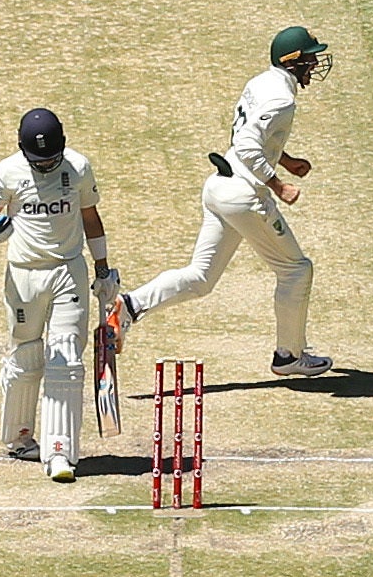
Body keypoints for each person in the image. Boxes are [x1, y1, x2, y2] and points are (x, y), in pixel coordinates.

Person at [114, 27, 336, 379]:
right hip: (245, 197)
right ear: (292, 62)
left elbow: (248, 137)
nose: (314, 64)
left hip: (220, 186)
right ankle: (289, 356)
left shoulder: (262, 82)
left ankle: (129, 306)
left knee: (201, 278)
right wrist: (278, 184)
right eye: (309, 58)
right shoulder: (283, 99)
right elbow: (248, 145)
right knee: (297, 270)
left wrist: (286, 158)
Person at [0, 107, 124, 483]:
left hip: (67, 272)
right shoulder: (7, 172)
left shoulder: (78, 168)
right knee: (27, 357)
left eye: (51, 159)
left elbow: (90, 216)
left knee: (66, 359)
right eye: (38, 162)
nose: (46, 166)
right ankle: (20, 438)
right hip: (24, 274)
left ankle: (60, 452)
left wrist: (103, 268)